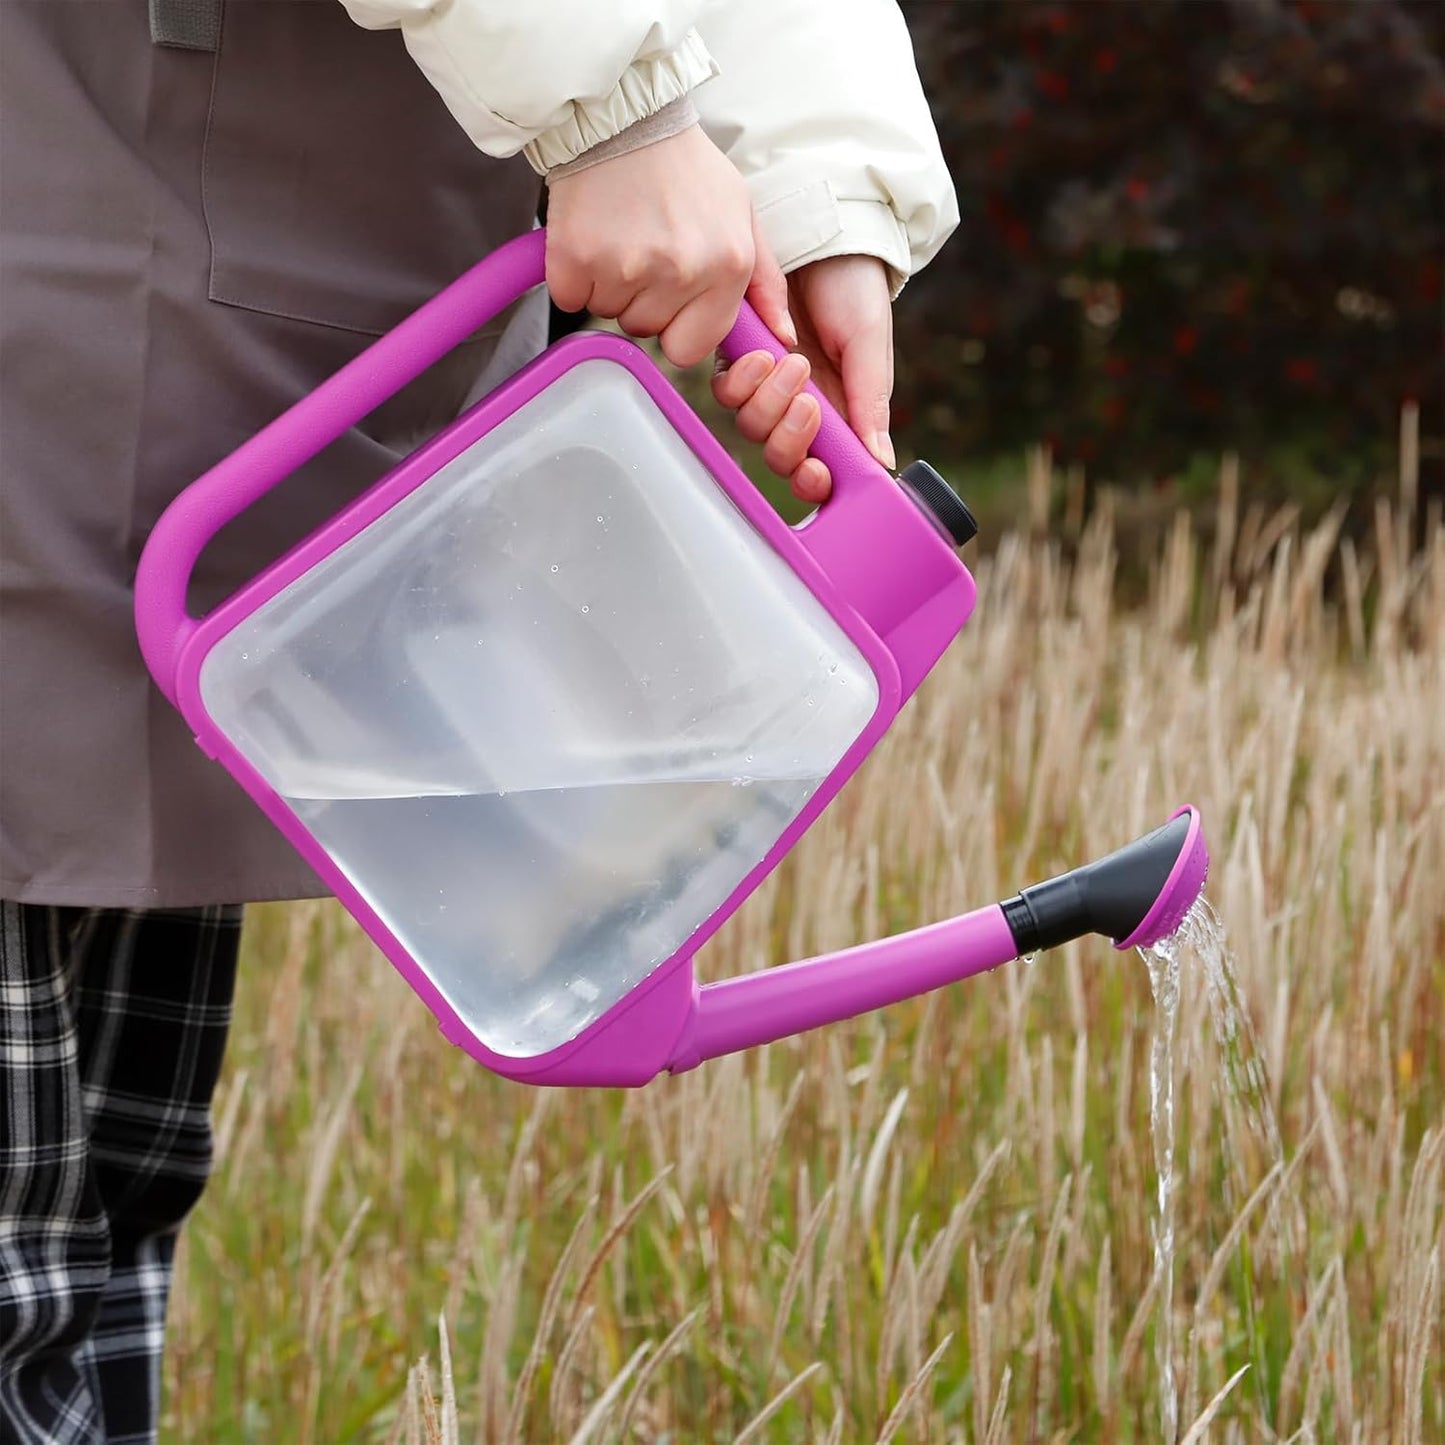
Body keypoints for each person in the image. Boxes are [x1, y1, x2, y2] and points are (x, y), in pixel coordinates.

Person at [0, 0, 957, 1437]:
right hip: (90, 254)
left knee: (104, 1219)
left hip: (264, 329)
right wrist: (615, 105)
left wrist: (811, 191)